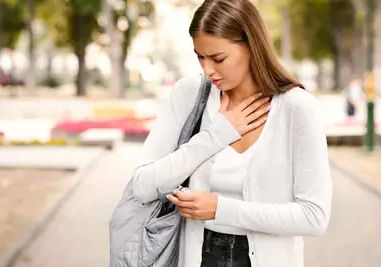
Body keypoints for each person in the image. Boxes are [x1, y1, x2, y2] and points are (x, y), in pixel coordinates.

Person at [130, 0, 332, 267]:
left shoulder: (296, 108)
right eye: (200, 57)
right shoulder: (189, 95)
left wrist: (221, 210)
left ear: (251, 45)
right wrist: (217, 135)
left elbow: (314, 216)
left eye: (218, 58)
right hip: (199, 256)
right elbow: (143, 186)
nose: (207, 69)